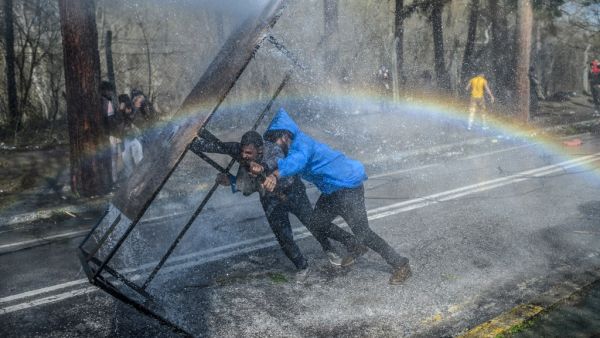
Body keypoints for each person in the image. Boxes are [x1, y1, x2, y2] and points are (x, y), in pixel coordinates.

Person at [257, 109, 411, 285]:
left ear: (284, 136)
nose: (274, 145)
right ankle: (354, 245)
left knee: (363, 232)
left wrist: (275, 175)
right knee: (315, 222)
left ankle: (401, 264)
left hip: (347, 186)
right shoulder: (294, 148)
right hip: (332, 190)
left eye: (274, 140)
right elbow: (284, 161)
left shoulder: (302, 145)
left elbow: (296, 162)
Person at [189, 130, 365, 282]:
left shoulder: (273, 150)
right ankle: (301, 266)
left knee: (313, 223)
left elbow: (277, 162)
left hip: (292, 192)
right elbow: (219, 147)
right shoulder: (240, 150)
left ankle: (333, 247)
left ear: (259, 149)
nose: (244, 156)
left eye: (249, 153)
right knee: (283, 236)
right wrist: (195, 144)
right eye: (243, 152)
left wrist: (261, 167)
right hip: (270, 198)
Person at [100, 81, 122, 183]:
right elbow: (110, 120)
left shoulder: (100, 101)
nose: (111, 93)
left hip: (104, 134)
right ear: (105, 91)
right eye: (110, 91)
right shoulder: (106, 102)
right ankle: (113, 181)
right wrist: (118, 113)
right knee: (112, 159)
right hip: (110, 134)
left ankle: (109, 180)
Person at [118, 94, 143, 178]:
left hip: (132, 137)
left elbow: (134, 120)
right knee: (128, 161)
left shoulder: (132, 109)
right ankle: (131, 178)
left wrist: (127, 114)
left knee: (136, 158)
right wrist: (121, 111)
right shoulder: (120, 110)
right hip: (124, 138)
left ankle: (140, 175)